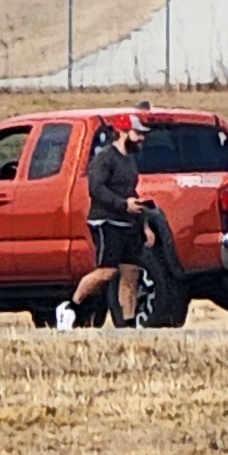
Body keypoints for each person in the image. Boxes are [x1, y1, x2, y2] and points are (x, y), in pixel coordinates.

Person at [63, 113, 146, 328]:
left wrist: (144, 223)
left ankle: (128, 325)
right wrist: (123, 204)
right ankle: (70, 307)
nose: (141, 138)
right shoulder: (105, 158)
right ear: (122, 132)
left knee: (131, 273)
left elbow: (130, 191)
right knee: (107, 271)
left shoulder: (129, 160)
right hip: (105, 222)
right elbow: (96, 189)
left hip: (127, 223)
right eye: (137, 133)